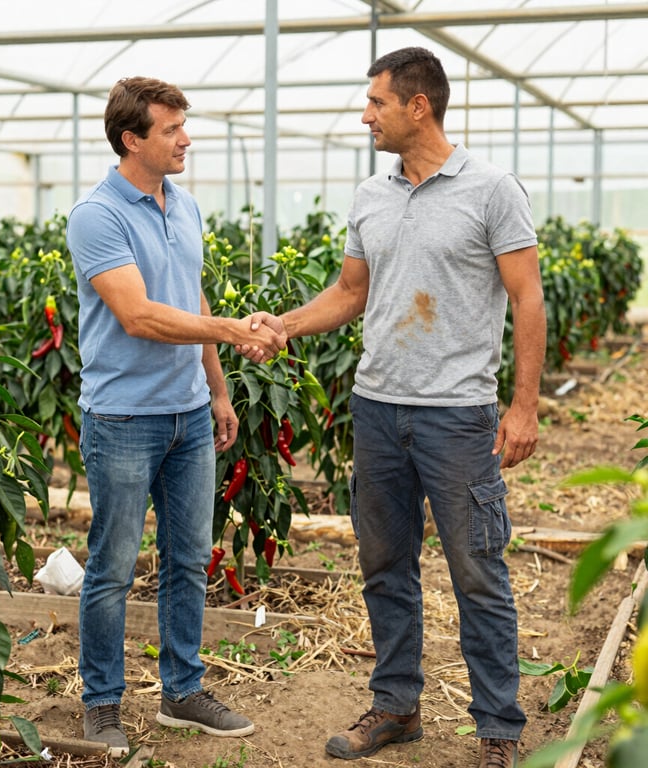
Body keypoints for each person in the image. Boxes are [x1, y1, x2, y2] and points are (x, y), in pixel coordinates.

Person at [247, 47, 546, 768]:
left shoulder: (491, 190)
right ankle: (396, 707)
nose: (365, 114)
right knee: (385, 565)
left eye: (376, 102)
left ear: (419, 106)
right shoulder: (372, 194)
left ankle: (498, 730)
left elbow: (528, 298)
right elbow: (351, 294)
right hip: (378, 409)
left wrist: (524, 405)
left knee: (477, 572)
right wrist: (283, 324)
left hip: (457, 415)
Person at [66, 76, 285, 756]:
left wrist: (216, 389)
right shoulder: (96, 214)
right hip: (125, 419)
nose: (186, 138)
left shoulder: (184, 206)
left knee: (189, 560)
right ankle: (102, 703)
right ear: (134, 139)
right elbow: (138, 316)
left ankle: (181, 692)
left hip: (189, 416)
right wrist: (229, 330)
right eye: (171, 129)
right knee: (113, 566)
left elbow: (187, 299)